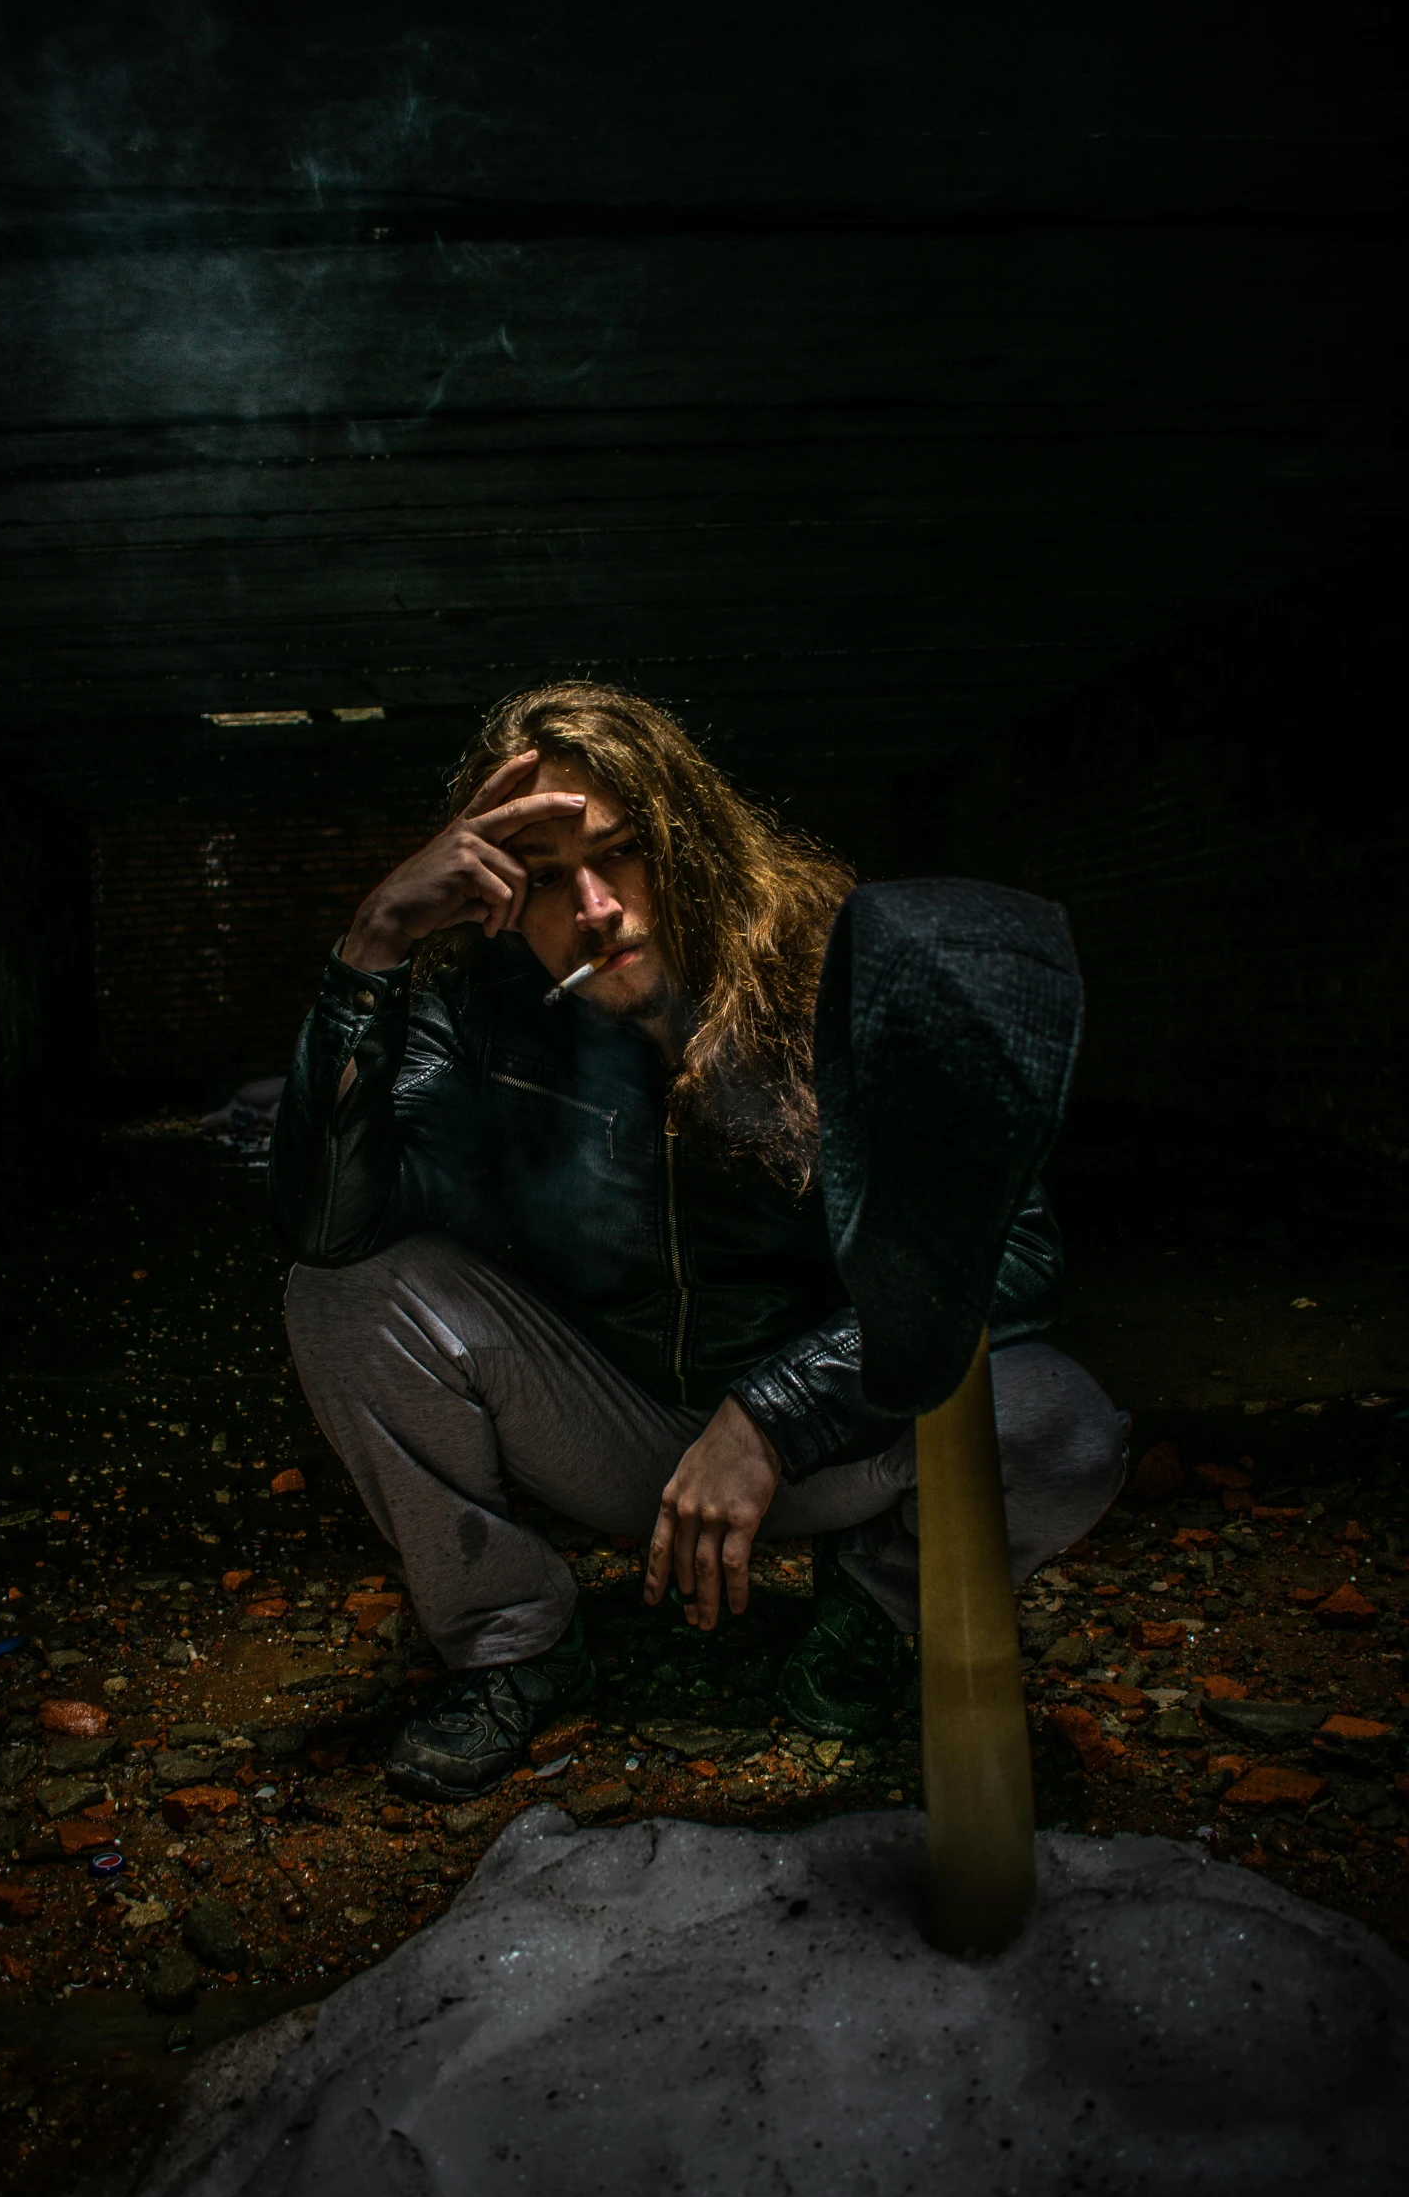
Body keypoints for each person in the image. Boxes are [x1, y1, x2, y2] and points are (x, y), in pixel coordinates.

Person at [272, 682, 1126, 1800]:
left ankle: (871, 1617)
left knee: (1055, 1420)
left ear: (684, 836)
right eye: (538, 878)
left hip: (824, 1450)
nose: (594, 908)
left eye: (622, 853)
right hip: (609, 1427)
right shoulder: (477, 1006)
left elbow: (1007, 1258)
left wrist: (775, 1412)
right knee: (340, 1294)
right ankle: (512, 1645)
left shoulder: (834, 970)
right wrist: (372, 944)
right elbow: (328, 1226)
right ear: (487, 891)